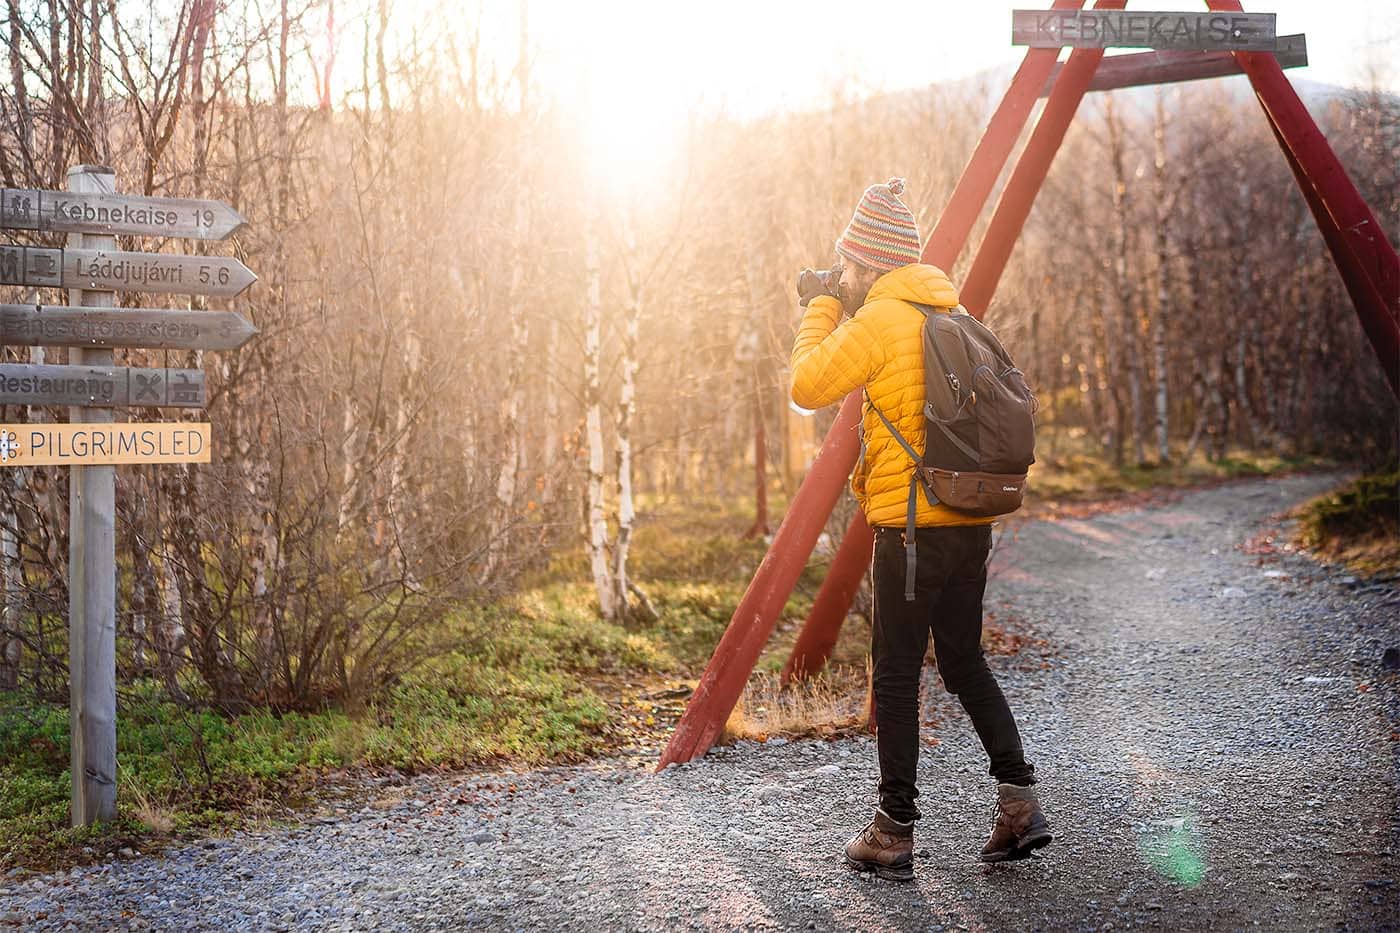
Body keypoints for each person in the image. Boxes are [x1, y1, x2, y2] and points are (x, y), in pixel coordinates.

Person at [788, 178, 1050, 882]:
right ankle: (1020, 804)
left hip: (909, 531)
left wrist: (819, 303)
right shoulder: (952, 309)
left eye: (847, 265)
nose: (842, 274)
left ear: (869, 264)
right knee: (963, 661)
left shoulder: (878, 320)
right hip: (971, 518)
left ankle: (893, 830)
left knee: (898, 674)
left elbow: (807, 384)